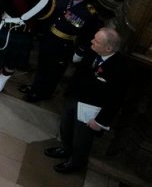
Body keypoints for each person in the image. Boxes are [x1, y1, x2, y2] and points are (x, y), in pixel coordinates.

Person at [44, 28, 125, 174]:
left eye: (96, 41)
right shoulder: (92, 51)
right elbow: (79, 71)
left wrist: (100, 122)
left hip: (91, 111)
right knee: (66, 128)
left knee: (81, 139)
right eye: (94, 38)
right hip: (75, 99)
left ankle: (76, 162)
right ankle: (65, 149)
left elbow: (115, 100)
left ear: (108, 48)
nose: (92, 41)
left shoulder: (120, 68)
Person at [22, 0, 100, 103]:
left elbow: (89, 35)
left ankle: (42, 93)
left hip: (64, 45)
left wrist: (80, 51)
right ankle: (35, 87)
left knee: (53, 72)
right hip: (50, 37)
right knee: (42, 65)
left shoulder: (88, 13)